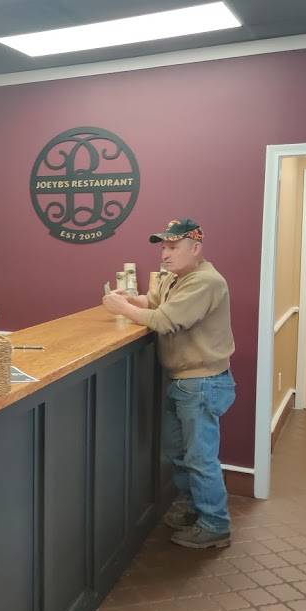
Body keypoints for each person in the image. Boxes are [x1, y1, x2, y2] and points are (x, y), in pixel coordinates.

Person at [102, 219, 236, 549]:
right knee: (179, 453)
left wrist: (121, 308)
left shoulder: (204, 282)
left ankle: (215, 524)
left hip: (202, 383)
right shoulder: (178, 279)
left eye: (173, 247)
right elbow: (155, 303)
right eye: (163, 247)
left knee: (200, 458)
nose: (165, 254)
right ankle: (194, 510)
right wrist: (130, 299)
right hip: (185, 382)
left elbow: (164, 320)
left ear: (196, 248)